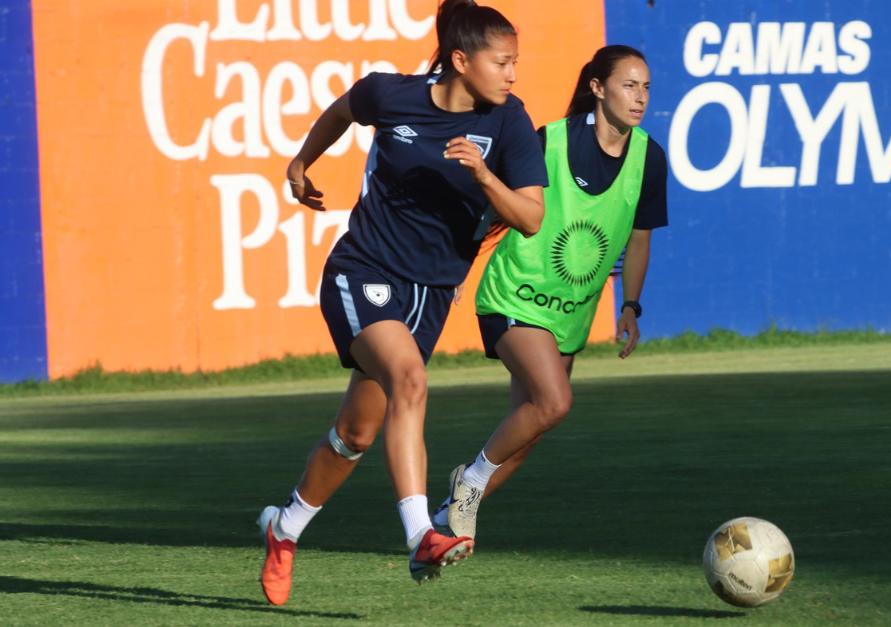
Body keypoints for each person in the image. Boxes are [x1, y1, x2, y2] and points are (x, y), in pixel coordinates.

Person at [256, 0, 548, 605]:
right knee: (410, 379)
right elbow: (343, 109)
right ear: (462, 61)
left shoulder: (510, 123)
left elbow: (530, 217)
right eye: (503, 62)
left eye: (516, 62)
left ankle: (284, 533)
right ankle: (422, 534)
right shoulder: (393, 96)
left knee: (357, 433)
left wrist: (485, 178)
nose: (513, 74)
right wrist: (301, 162)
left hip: (433, 294)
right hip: (362, 271)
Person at [432, 45, 668, 540]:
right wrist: (455, 269)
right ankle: (469, 481)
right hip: (513, 294)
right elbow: (493, 211)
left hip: (569, 316)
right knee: (555, 402)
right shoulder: (551, 141)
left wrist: (630, 304)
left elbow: (640, 237)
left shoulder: (649, 157)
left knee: (529, 428)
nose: (640, 96)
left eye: (646, 86)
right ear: (598, 88)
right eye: (629, 84)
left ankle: (443, 529)